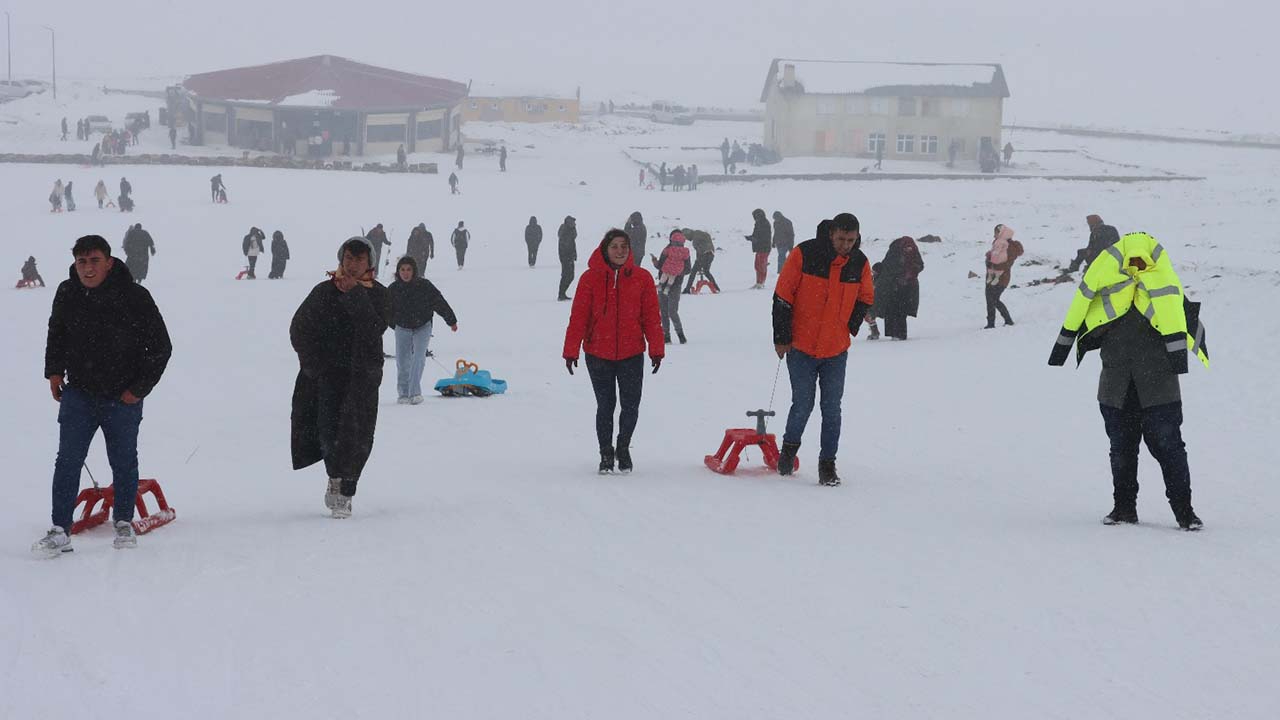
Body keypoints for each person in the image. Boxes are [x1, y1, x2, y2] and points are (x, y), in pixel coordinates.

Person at [1048, 232, 1208, 531]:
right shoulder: (1104, 292)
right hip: (1116, 389)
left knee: (1169, 449)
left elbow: (1188, 328)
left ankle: (1185, 512)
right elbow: (1084, 326)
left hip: (1159, 392)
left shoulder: (1166, 290)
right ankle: (1124, 508)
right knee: (1121, 450)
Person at [32, 234, 172, 556]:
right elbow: (57, 332)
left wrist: (138, 390)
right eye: (82, 261)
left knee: (123, 462)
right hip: (78, 394)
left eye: (94, 260)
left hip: (121, 398)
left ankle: (123, 522)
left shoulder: (135, 296)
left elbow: (161, 347)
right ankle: (59, 531)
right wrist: (54, 371)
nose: (88, 268)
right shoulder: (67, 293)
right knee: (67, 461)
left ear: (109, 262)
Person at [289, 237, 391, 519]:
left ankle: (348, 487)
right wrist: (312, 364)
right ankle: (335, 477)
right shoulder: (323, 291)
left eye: (359, 260)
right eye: (348, 258)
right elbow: (299, 328)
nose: (353, 264)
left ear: (369, 263)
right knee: (328, 431)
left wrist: (355, 294)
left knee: (358, 435)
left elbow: (373, 328)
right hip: (327, 376)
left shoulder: (379, 294)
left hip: (363, 376)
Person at [772, 213, 874, 486]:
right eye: (841, 239)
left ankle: (827, 464)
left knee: (832, 409)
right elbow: (783, 295)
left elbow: (866, 296)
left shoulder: (860, 263)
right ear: (831, 234)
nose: (845, 245)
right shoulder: (805, 253)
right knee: (802, 404)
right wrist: (781, 337)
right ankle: (788, 451)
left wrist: (849, 326)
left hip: (836, 350)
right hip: (801, 347)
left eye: (851, 240)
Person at [562, 229, 664, 473]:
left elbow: (651, 317)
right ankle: (606, 453)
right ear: (605, 249)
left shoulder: (642, 278)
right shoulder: (590, 279)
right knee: (605, 405)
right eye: (615, 246)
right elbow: (578, 317)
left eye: (624, 246)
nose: (620, 251)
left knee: (631, 405)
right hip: (598, 353)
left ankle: (623, 447)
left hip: (631, 353)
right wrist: (571, 350)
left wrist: (656, 349)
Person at [388, 255, 458, 404]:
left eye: (409, 269)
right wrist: (393, 324)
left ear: (414, 271)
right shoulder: (393, 289)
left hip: (423, 326)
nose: (405, 273)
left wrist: (451, 320)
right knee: (402, 361)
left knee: (418, 358)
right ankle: (403, 394)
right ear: (398, 272)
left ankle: (415, 393)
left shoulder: (424, 286)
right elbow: (385, 311)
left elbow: (439, 303)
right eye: (402, 269)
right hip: (402, 327)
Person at [876, 237, 925, 340]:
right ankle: (893, 333)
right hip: (893, 286)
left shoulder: (914, 253)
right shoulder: (894, 252)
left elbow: (920, 265)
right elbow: (888, 266)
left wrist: (910, 272)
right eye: (907, 248)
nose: (909, 249)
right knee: (892, 310)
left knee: (902, 311)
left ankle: (900, 334)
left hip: (909, 287)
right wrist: (899, 275)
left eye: (910, 247)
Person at [651, 230, 691, 344]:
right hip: (674, 284)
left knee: (668, 311)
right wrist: (677, 270)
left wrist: (657, 263)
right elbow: (688, 269)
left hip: (668, 285)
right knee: (669, 311)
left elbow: (660, 266)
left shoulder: (668, 250)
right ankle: (671, 336)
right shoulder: (681, 252)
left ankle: (675, 335)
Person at [983, 224, 1023, 328]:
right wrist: (988, 260)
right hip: (990, 276)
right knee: (989, 299)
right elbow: (993, 257)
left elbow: (1007, 264)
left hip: (1002, 278)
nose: (994, 235)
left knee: (994, 299)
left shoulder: (1010, 247)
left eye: (996, 233)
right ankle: (990, 324)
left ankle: (1008, 320)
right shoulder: (998, 242)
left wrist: (992, 264)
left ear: (1001, 233)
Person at [681, 227, 719, 293]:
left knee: (693, 272)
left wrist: (698, 262)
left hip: (703, 255)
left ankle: (687, 289)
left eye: (686, 237)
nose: (687, 239)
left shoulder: (695, 239)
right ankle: (716, 287)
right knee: (706, 271)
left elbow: (699, 251)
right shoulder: (702, 234)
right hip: (711, 254)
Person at [746, 208, 772, 288]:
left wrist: (755, 239)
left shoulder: (765, 223)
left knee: (762, 265)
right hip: (759, 247)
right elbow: (756, 235)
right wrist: (751, 238)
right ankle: (758, 282)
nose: (754, 217)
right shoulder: (758, 223)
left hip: (764, 247)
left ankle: (761, 283)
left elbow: (765, 236)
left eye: (755, 215)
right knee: (757, 265)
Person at [557, 215, 578, 300]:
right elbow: (565, 245)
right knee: (567, 275)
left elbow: (573, 244)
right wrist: (567, 256)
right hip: (565, 257)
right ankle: (561, 294)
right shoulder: (565, 231)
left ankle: (562, 293)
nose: (575, 224)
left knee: (570, 275)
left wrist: (574, 254)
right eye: (573, 222)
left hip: (569, 256)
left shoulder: (570, 230)